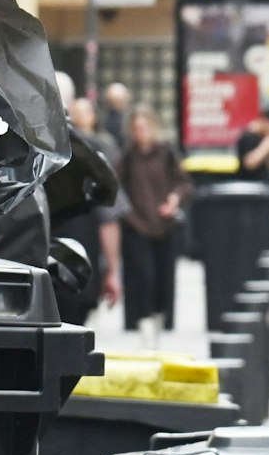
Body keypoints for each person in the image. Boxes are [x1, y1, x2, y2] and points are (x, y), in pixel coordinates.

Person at [115, 108, 190, 335]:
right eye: (136, 128)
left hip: (164, 224)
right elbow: (117, 188)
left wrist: (174, 200)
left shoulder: (166, 153)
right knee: (143, 274)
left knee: (164, 274)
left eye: (145, 127)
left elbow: (183, 183)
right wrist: (128, 215)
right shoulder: (127, 158)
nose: (141, 133)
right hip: (137, 224)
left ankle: (163, 317)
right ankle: (142, 316)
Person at [52, 95, 123, 323]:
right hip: (78, 269)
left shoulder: (31, 152)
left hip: (42, 269)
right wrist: (113, 271)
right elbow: (108, 216)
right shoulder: (91, 154)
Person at [235, 110, 269, 179]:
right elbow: (249, 164)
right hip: (250, 182)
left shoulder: (267, 137)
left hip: (267, 181)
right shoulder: (249, 137)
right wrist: (266, 145)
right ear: (266, 122)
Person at [100, 82, 133, 155]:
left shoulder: (132, 121)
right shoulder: (102, 121)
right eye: (112, 101)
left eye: (119, 101)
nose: (115, 104)